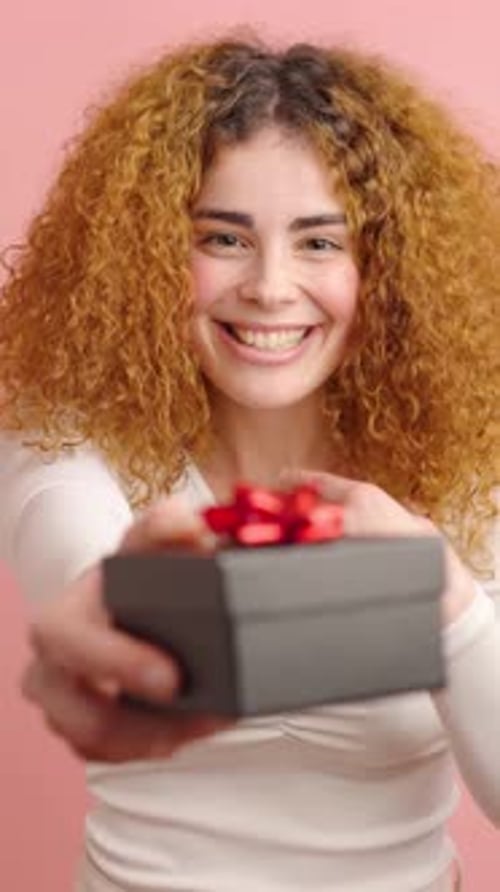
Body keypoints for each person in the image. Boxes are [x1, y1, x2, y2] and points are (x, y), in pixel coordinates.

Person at [0, 34, 498, 892]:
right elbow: (110, 611)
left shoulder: (471, 462)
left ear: (387, 270)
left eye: (319, 243)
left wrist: (443, 593)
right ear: (149, 255)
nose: (270, 286)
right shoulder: (59, 437)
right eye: (224, 239)